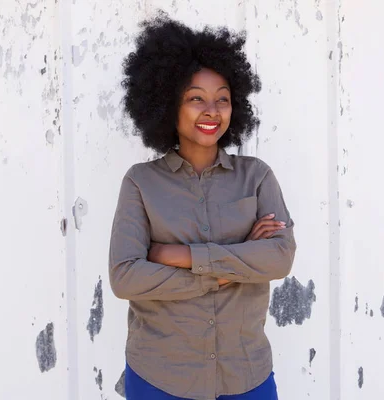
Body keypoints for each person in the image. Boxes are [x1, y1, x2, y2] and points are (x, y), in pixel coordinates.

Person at [109, 14, 296, 400]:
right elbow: (125, 277)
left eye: (222, 99)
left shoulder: (256, 177)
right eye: (196, 98)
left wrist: (178, 255)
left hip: (246, 376)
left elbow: (279, 258)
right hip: (160, 376)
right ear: (166, 103)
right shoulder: (140, 183)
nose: (212, 110)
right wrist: (231, 265)